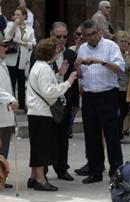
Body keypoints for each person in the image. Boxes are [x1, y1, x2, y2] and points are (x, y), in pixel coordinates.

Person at [75, 19, 125, 184]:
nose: (91, 37)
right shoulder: (82, 48)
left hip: (108, 94)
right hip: (89, 96)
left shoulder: (111, 46)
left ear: (99, 31)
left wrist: (100, 62)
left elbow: (120, 70)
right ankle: (95, 170)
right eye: (87, 35)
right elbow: (81, 75)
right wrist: (77, 67)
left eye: (94, 33)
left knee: (111, 134)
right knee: (91, 135)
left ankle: (116, 170)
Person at [26, 38, 77, 191]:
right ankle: (41, 180)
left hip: (36, 112)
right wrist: (67, 82)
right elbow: (49, 93)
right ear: (51, 52)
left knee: (37, 146)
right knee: (41, 148)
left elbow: (46, 86)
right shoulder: (44, 68)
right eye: (56, 49)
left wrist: (59, 76)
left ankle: (34, 177)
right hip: (41, 112)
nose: (58, 51)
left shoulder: (39, 66)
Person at [46, 22, 79, 181]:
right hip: (46, 102)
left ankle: (62, 168)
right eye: (58, 36)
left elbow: (74, 82)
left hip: (65, 103)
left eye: (64, 36)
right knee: (46, 138)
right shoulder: (43, 53)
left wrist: (74, 104)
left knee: (63, 138)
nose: (61, 39)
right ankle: (41, 171)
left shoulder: (71, 55)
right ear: (51, 35)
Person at [4, 6, 35, 112]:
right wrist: (14, 26)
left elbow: (33, 44)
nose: (15, 16)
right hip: (11, 59)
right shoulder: (10, 24)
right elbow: (7, 38)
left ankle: (22, 104)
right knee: (11, 82)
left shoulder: (30, 29)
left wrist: (22, 43)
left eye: (18, 15)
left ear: (24, 16)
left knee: (21, 83)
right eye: (15, 14)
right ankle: (10, 103)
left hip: (22, 60)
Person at [0, 33, 18, 189]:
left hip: (6, 115)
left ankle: (1, 176)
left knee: (4, 148)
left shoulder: (3, 63)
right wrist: (10, 99)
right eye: (3, 46)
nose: (6, 49)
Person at [115, 31, 130, 144]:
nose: (124, 43)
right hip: (118, 86)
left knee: (125, 110)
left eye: (126, 41)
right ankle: (117, 135)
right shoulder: (116, 54)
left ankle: (118, 133)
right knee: (120, 111)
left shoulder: (127, 54)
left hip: (126, 87)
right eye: (122, 41)